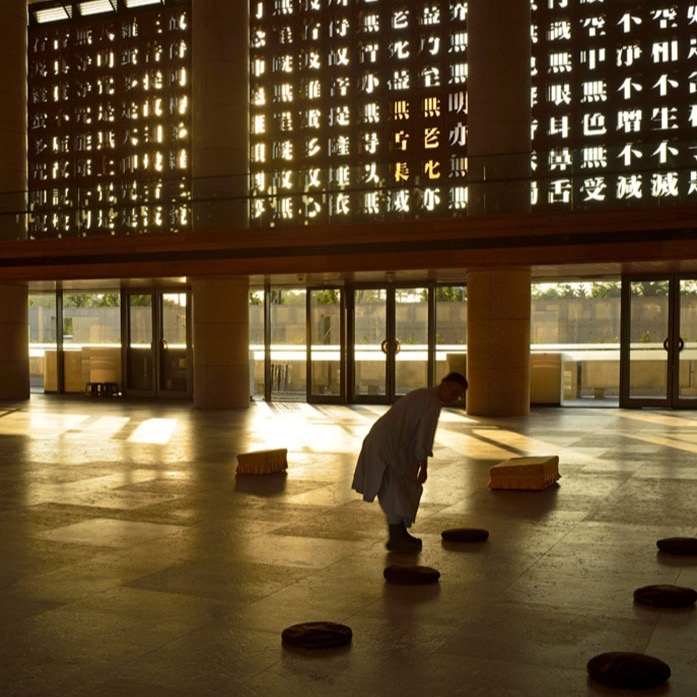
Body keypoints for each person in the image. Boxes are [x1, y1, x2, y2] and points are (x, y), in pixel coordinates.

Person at [351, 372, 468, 554]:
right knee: (394, 492)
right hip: (387, 446)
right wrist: (423, 467)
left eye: (458, 396)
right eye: (453, 392)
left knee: (399, 488)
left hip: (387, 443)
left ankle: (400, 533)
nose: (453, 398)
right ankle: (396, 537)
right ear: (444, 384)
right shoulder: (431, 403)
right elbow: (423, 439)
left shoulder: (424, 395)